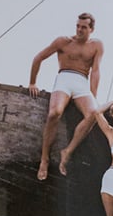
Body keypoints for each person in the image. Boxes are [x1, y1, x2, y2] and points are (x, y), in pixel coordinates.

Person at [28, 13, 103, 180]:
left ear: (91, 29)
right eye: (78, 26)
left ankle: (67, 151)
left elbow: (96, 71)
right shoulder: (63, 41)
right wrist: (32, 82)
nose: (79, 30)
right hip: (64, 78)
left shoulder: (96, 45)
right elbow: (38, 58)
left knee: (93, 114)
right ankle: (44, 159)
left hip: (82, 82)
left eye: (84, 27)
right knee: (54, 113)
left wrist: (93, 95)